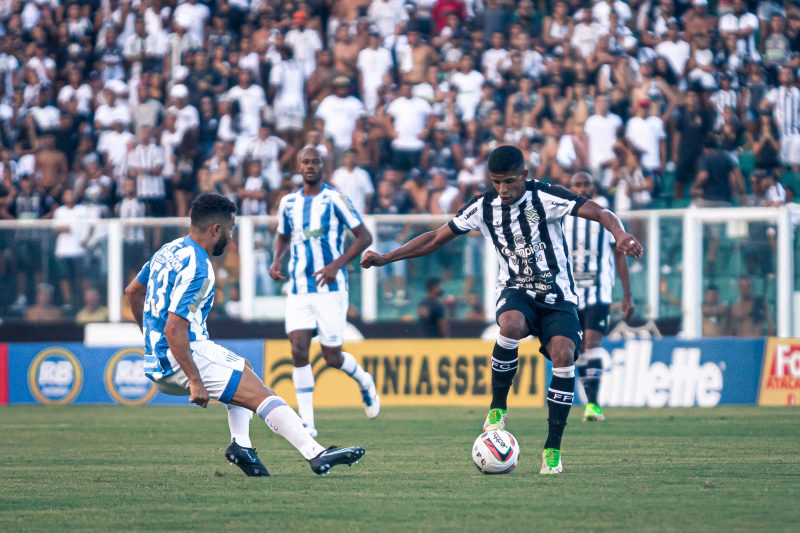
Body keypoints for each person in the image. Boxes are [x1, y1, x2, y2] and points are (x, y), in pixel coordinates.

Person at [361, 145, 643, 475]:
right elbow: (436, 238)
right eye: (496, 182)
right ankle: (497, 407)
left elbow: (600, 213)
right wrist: (385, 258)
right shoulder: (483, 207)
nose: (503, 189)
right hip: (516, 290)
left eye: (509, 181)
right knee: (509, 325)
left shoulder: (546, 198)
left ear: (524, 175)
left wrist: (620, 233)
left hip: (558, 297)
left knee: (565, 356)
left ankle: (552, 450)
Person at [124, 193, 364, 477]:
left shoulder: (169, 249)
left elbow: (132, 291)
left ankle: (242, 446)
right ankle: (315, 454)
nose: (231, 235)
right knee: (262, 394)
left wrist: (151, 340)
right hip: (184, 355)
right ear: (216, 229)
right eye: (231, 228)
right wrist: (194, 380)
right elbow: (175, 327)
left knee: (244, 370)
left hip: (159, 358)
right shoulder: (200, 268)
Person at [269, 147, 380, 439]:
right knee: (298, 349)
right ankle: (307, 423)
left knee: (331, 356)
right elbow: (282, 235)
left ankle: (365, 381)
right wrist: (277, 260)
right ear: (298, 166)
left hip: (330, 289)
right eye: (305, 162)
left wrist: (336, 265)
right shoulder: (289, 202)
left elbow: (364, 236)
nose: (310, 166)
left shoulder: (335, 199)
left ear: (323, 167)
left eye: (315, 162)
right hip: (298, 288)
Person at [563, 172, 634, 422]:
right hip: (569, 295)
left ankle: (593, 404)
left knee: (592, 342)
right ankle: (589, 399)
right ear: (570, 187)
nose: (582, 188)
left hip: (599, 292)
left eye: (586, 185)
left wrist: (627, 295)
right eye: (577, 184)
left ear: (593, 188)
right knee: (578, 348)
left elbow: (619, 255)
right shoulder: (561, 217)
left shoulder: (606, 217)